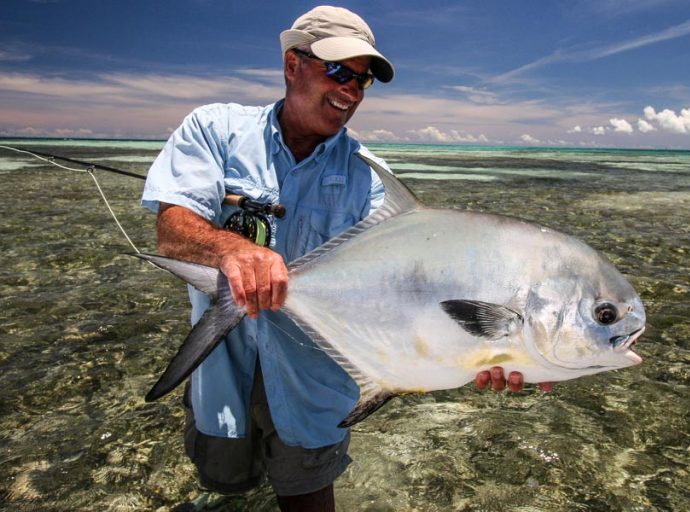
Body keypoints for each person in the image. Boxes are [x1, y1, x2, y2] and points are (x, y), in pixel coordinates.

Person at [142, 6, 550, 511]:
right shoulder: (215, 130)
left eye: (362, 80)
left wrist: (493, 351)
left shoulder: (371, 178)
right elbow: (173, 231)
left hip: (314, 389)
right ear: (293, 64)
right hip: (222, 375)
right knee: (226, 489)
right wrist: (234, 250)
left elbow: (414, 292)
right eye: (338, 71)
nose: (350, 91)